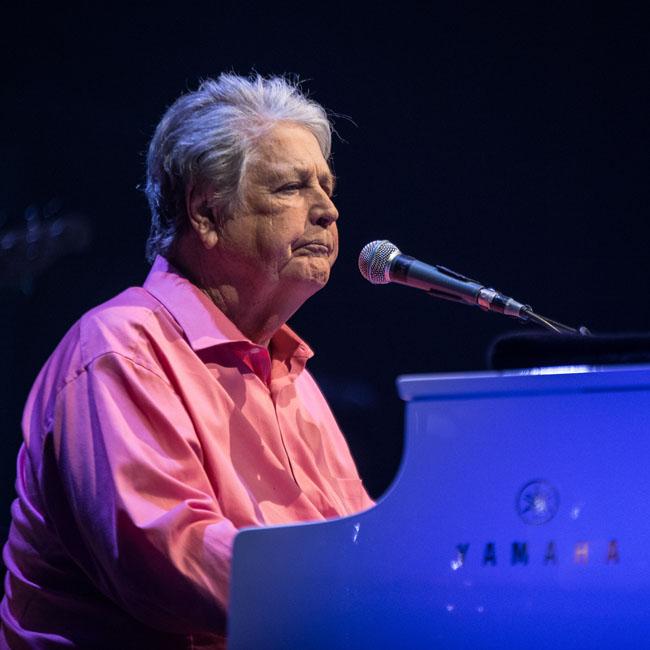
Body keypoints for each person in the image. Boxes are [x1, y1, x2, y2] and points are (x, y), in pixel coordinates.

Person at [0, 73, 374, 649]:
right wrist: (372, 597)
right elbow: (173, 560)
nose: (328, 211)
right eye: (292, 188)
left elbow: (356, 536)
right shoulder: (119, 351)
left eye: (327, 188)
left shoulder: (290, 371)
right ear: (206, 212)